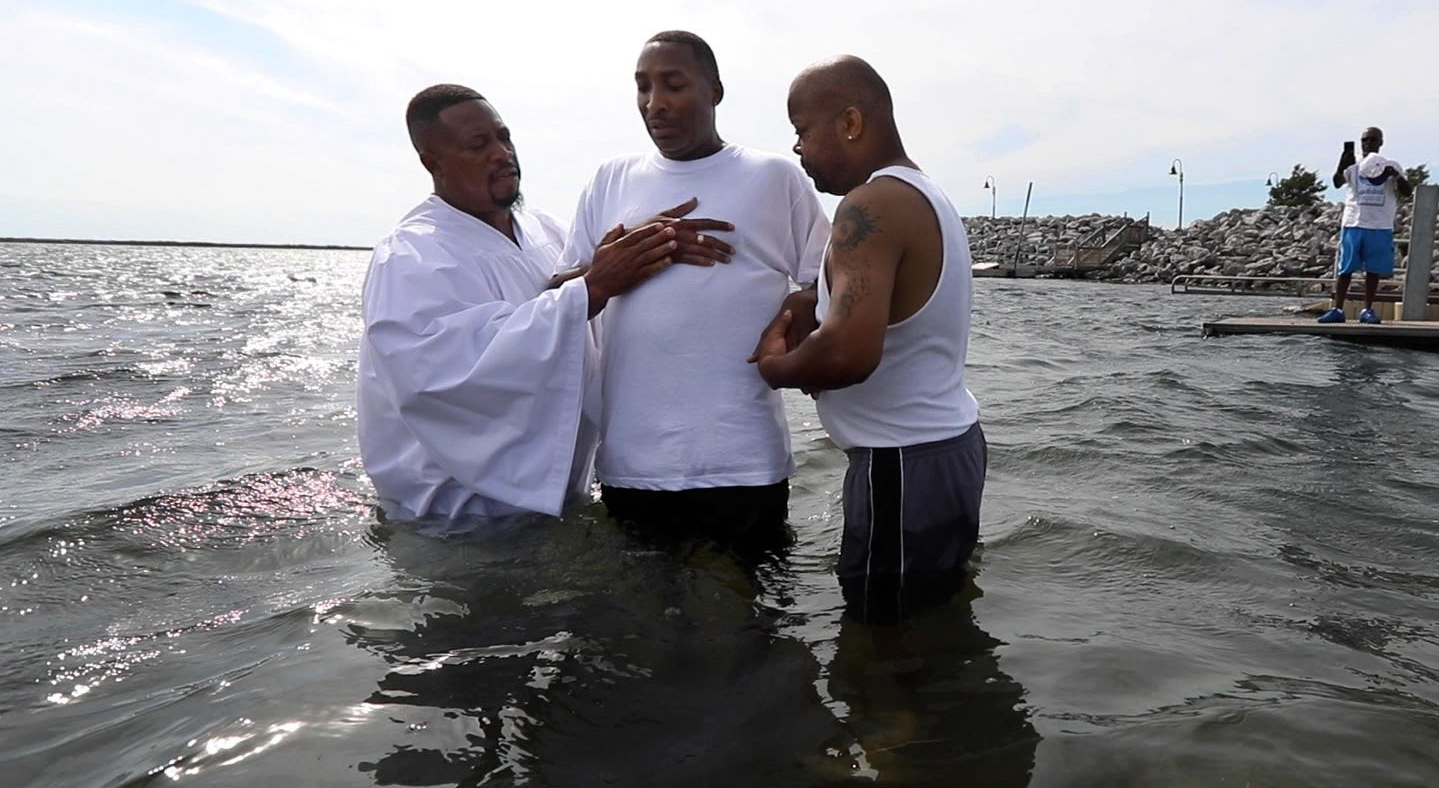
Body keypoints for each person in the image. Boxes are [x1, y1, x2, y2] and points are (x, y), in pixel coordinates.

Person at [357, 84, 728, 529]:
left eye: (504, 137)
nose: (501, 153)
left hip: (561, 505)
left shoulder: (546, 231)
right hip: (455, 518)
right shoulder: (412, 254)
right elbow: (445, 373)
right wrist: (593, 287)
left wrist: (637, 252)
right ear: (431, 162)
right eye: (479, 145)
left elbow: (580, 306)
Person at [563, 31, 830, 556]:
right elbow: (559, 298)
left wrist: (801, 303)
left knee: (743, 628)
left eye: (673, 85)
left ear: (715, 91)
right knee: (631, 630)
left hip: (742, 462)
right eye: (642, 87)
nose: (654, 103)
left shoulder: (774, 176)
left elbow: (830, 279)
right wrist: (624, 259)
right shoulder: (610, 179)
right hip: (631, 467)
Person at [753, 55, 985, 625]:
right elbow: (888, 305)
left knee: (883, 646)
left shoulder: (868, 205)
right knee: (931, 627)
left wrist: (774, 366)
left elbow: (849, 354)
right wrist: (811, 297)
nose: (798, 150)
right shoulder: (921, 194)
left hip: (901, 466)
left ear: (851, 122)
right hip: (944, 450)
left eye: (802, 131)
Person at [1320, 125, 1408, 324]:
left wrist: (1395, 175)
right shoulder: (1354, 166)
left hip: (1379, 225)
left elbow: (1407, 191)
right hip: (1353, 222)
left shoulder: (1390, 165)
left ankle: (1367, 310)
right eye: (1365, 140)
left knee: (1373, 270)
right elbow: (1336, 182)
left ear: (1381, 142)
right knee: (1345, 269)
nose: (1368, 143)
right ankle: (1337, 309)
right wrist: (1342, 164)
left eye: (1373, 140)